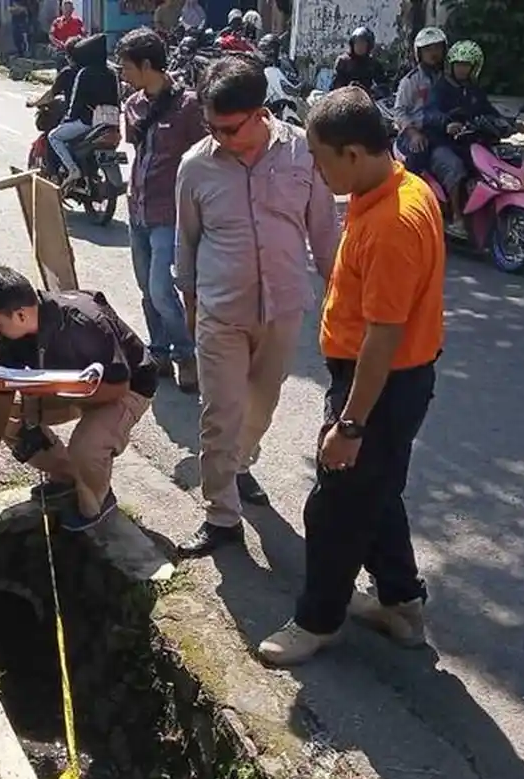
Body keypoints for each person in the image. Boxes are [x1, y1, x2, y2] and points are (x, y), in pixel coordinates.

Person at [258, 87, 445, 666]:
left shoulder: (394, 221)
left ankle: (318, 621)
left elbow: (383, 338)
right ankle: (401, 604)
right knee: (378, 493)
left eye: (321, 158)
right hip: (384, 378)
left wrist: (351, 423)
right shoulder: (390, 186)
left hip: (380, 385)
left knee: (333, 506)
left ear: (356, 152)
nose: (315, 169)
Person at [174, 57, 340, 557]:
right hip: (220, 311)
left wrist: (342, 294)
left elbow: (325, 232)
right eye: (212, 128)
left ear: (260, 113)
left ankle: (241, 463)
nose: (221, 137)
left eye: (230, 127)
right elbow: (187, 243)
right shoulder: (196, 165)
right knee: (219, 412)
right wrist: (190, 306)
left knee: (261, 406)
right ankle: (222, 516)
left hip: (283, 308)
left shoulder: (301, 155)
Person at [0, 267, 158, 531]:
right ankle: (68, 479)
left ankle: (96, 505)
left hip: (126, 388)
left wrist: (54, 388)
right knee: (12, 423)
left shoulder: (83, 321)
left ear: (20, 314)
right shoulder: (12, 336)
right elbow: (0, 398)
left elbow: (118, 387)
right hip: (70, 389)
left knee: (86, 446)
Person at [119, 27, 206, 393]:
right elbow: (136, 152)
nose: (122, 73)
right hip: (136, 207)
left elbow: (206, 158)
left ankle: (186, 355)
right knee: (145, 288)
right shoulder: (133, 103)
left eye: (127, 66)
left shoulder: (188, 106)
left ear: (147, 65)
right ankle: (159, 352)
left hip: (169, 214)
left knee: (160, 289)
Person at [422, 39, 508, 218]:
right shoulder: (440, 87)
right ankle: (457, 216)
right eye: (459, 65)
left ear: (474, 68)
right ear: (451, 65)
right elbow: (430, 113)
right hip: (442, 144)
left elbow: (489, 111)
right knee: (455, 168)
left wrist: (508, 123)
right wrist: (447, 124)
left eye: (466, 65)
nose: (462, 69)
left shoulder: (474, 90)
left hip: (469, 143)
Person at [44, 33, 120, 188]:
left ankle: (73, 170)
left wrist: (68, 118)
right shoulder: (112, 73)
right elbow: (118, 99)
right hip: (110, 123)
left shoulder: (84, 73)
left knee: (54, 136)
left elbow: (76, 102)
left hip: (87, 123)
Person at [392, 26, 446, 174]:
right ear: (419, 53)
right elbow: (399, 111)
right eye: (428, 49)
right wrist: (413, 133)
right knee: (417, 160)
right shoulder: (411, 80)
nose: (433, 53)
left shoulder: (448, 78)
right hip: (415, 133)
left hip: (442, 133)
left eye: (437, 48)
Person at [331, 26, 387, 93]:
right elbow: (336, 87)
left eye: (363, 43)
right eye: (357, 42)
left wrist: (373, 91)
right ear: (352, 44)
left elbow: (382, 86)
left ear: (369, 45)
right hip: (345, 97)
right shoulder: (343, 62)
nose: (359, 46)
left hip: (367, 98)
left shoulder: (373, 64)